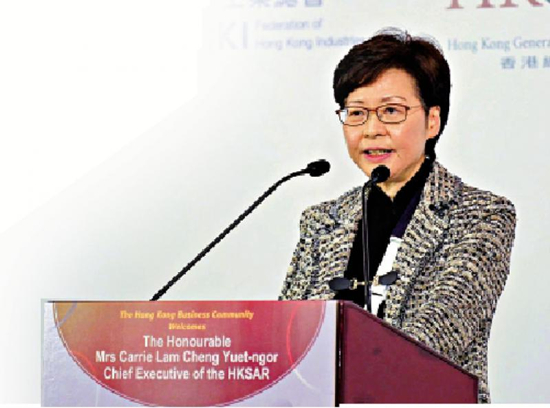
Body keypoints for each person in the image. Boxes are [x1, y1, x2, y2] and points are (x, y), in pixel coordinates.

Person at [279, 28, 516, 403]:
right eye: (357, 113)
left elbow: (440, 332)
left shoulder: (481, 216)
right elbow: (285, 342)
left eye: (391, 111)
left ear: (433, 121)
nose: (372, 130)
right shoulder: (321, 222)